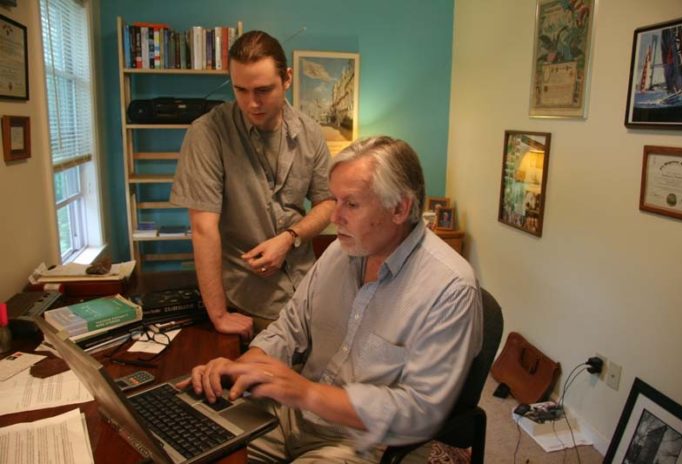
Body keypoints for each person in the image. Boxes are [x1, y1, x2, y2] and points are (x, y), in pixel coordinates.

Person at [179, 136, 483, 463]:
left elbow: (419, 412)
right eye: (334, 200)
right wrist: (241, 370)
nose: (334, 217)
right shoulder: (340, 251)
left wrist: (307, 393)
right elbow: (289, 328)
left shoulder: (450, 287)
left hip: (364, 442)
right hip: (291, 414)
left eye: (351, 204)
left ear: (400, 208)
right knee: (192, 441)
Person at [170, 31, 335, 338]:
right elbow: (203, 229)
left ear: (286, 79)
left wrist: (290, 238)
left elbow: (328, 201)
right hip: (248, 300)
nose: (252, 103)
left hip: (309, 290)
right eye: (240, 90)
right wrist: (218, 315)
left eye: (263, 90)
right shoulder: (207, 134)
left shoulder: (310, 132)